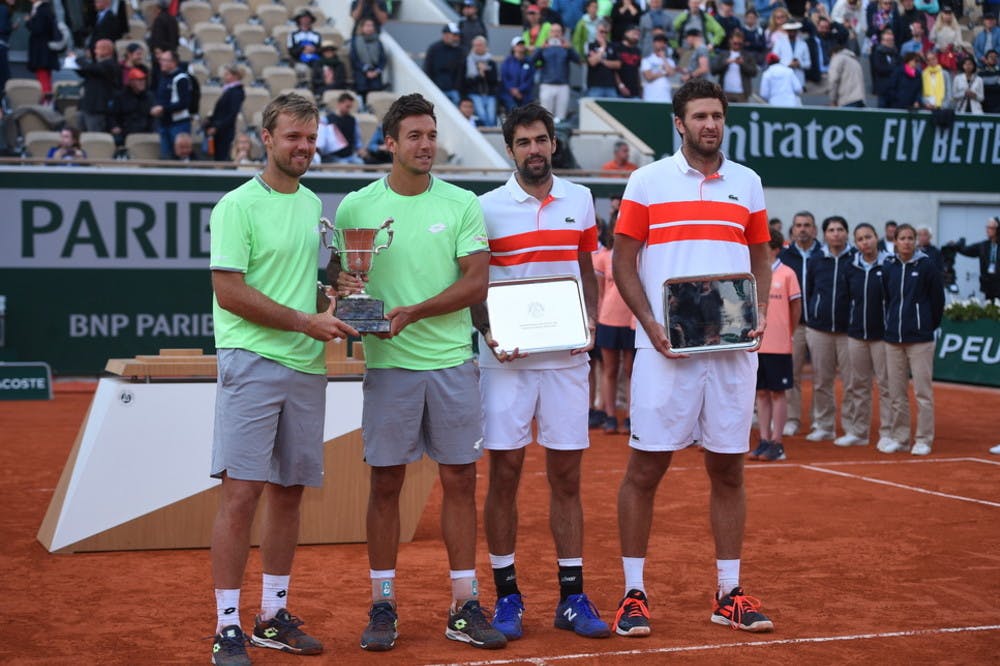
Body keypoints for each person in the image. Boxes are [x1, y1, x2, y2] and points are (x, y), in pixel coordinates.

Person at [330, 93, 505, 652]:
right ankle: (383, 604)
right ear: (390, 143)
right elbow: (339, 275)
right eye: (414, 136)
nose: (426, 145)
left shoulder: (461, 204)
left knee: (460, 483)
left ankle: (464, 602)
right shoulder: (356, 207)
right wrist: (343, 287)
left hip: (452, 361)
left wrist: (414, 312)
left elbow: (476, 282)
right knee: (386, 485)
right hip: (389, 366)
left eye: (431, 135)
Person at [611, 79, 774, 638]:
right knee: (645, 469)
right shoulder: (646, 181)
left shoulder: (747, 183)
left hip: (731, 352)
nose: (711, 125)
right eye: (700, 116)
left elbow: (761, 255)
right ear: (678, 123)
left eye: (718, 116)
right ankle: (634, 593)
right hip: (665, 350)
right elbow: (623, 263)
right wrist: (650, 324)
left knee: (728, 468)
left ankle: (728, 593)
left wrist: (759, 312)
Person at [207, 92, 358, 666]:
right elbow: (230, 291)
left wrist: (332, 295)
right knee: (241, 492)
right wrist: (304, 320)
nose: (303, 148)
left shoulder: (312, 203)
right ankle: (226, 625)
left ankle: (270, 615)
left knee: (289, 493)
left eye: (311, 138)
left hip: (305, 365)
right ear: (267, 138)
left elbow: (298, 283)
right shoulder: (237, 206)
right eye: (293, 137)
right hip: (251, 360)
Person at [470, 102, 608, 643]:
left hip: (567, 360)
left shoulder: (580, 198)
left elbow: (584, 267)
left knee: (566, 477)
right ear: (510, 150)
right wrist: (489, 333)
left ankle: (572, 596)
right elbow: (475, 283)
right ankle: (507, 597)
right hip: (505, 361)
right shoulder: (482, 207)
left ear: (554, 144)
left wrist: (590, 321)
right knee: (504, 475)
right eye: (524, 142)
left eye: (542, 140)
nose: (534, 150)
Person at [878, 223, 944, 456]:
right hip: (893, 340)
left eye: (910, 238)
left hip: (920, 340)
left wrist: (925, 325)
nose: (906, 241)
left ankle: (924, 439)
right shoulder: (888, 267)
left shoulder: (927, 266)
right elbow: (887, 298)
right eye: (902, 238)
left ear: (916, 241)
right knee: (896, 393)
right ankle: (900, 437)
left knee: (923, 394)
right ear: (894, 241)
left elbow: (938, 301)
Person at [748, 227, 801, 462]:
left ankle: (778, 443)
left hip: (779, 344)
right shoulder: (752, 275)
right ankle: (764, 439)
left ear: (776, 249)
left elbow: (795, 309)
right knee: (761, 393)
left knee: (778, 393)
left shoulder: (788, 273)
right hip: (757, 343)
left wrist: (788, 332)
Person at [802, 215, 855, 443]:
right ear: (824, 234)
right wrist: (814, 314)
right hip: (819, 330)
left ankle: (853, 429)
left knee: (851, 382)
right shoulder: (816, 260)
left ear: (847, 233)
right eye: (832, 230)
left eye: (840, 229)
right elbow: (810, 290)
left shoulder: (856, 259)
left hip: (848, 332)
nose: (836, 233)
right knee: (822, 381)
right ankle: (824, 426)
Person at [840, 222, 891, 449]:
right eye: (860, 239)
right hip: (856, 335)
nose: (865, 242)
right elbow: (847, 299)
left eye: (868, 237)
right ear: (856, 242)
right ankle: (858, 432)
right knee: (858, 385)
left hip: (883, 337)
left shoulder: (890, 265)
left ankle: (888, 434)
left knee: (886, 387)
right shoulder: (851, 267)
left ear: (876, 237)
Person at [777, 212, 821, 437]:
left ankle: (821, 422)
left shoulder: (823, 255)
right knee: (791, 375)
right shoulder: (785, 256)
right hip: (792, 324)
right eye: (798, 225)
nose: (802, 229)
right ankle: (792, 419)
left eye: (807, 225)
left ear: (814, 229)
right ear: (792, 230)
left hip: (819, 325)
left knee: (822, 376)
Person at [593, 216, 635, 435]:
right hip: (608, 319)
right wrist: (598, 318)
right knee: (609, 370)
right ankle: (610, 416)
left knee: (630, 371)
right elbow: (600, 293)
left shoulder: (638, 257)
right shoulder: (603, 257)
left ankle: (629, 416)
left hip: (632, 321)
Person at [151, 49, 192, 159]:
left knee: (181, 155)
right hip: (164, 122)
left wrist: (163, 109)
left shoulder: (181, 78)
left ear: (173, 63)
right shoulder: (163, 77)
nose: (161, 62)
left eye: (164, 60)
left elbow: (184, 103)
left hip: (178, 124)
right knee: (167, 157)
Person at [535, 23, 580, 122]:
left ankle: (559, 136)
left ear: (562, 33)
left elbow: (578, 60)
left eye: (558, 31)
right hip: (547, 84)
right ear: (550, 33)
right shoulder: (544, 47)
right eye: (553, 31)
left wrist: (570, 48)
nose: (556, 34)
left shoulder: (566, 47)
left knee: (561, 116)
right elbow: (532, 60)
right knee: (546, 117)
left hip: (563, 85)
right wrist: (540, 48)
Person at [77, 38, 121, 132]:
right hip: (86, 106)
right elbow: (87, 71)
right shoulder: (97, 65)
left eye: (97, 48)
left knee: (94, 137)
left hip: (97, 109)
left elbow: (92, 69)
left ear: (106, 50)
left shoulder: (110, 65)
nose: (95, 51)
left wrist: (77, 60)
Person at [953, 216, 1000, 301]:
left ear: (997, 229)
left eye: (990, 228)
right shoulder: (983, 246)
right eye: (987, 227)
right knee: (990, 310)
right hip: (988, 286)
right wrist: (958, 244)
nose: (987, 230)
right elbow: (966, 250)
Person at [204, 64, 245, 161]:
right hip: (220, 130)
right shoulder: (229, 90)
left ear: (235, 76)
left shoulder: (236, 92)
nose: (224, 76)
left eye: (227, 74)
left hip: (224, 131)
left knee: (222, 156)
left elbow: (231, 114)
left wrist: (216, 127)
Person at [110, 66, 156, 150]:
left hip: (145, 133)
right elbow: (113, 115)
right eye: (139, 80)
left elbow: (152, 118)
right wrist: (115, 126)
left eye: (143, 80)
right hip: (125, 133)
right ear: (131, 82)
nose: (142, 83)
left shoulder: (150, 97)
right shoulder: (121, 96)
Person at [26, 0, 60, 103]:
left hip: (41, 52)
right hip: (45, 51)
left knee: (43, 79)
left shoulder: (42, 10)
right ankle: (46, 102)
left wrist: (29, 21)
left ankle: (46, 104)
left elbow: (38, 29)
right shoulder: (46, 9)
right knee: (45, 78)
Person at [711, 28, 757, 102]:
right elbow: (713, 70)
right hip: (724, 92)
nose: (737, 45)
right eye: (735, 43)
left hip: (742, 93)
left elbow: (754, 72)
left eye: (740, 44)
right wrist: (726, 62)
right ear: (730, 41)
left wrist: (742, 64)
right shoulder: (723, 54)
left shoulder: (748, 55)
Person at [349, 18, 387, 107]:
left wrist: (377, 71)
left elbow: (383, 59)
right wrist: (366, 70)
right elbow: (354, 59)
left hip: (376, 75)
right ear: (362, 28)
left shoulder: (378, 42)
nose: (370, 28)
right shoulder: (355, 41)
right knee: (362, 91)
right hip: (361, 73)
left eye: (372, 26)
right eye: (367, 25)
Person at [317, 91, 364, 163]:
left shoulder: (353, 120)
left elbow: (357, 139)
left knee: (360, 163)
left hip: (349, 155)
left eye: (350, 107)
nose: (349, 109)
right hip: (332, 156)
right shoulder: (326, 119)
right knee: (343, 164)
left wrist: (359, 149)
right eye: (347, 106)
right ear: (339, 104)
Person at [424, 22, 465, 105]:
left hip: (453, 90)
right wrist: (432, 87)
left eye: (457, 36)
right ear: (445, 35)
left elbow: (461, 71)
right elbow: (427, 68)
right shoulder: (434, 48)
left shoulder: (460, 51)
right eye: (454, 35)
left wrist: (456, 88)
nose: (457, 38)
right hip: (436, 88)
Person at [463, 35, 499, 126]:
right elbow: (467, 82)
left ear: (485, 46)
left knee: (491, 118)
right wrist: (480, 74)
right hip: (475, 93)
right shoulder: (469, 61)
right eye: (475, 45)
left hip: (490, 94)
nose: (477, 47)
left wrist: (485, 72)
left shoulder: (491, 62)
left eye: (480, 45)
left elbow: (494, 80)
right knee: (482, 116)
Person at [585, 20, 622, 98]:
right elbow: (592, 62)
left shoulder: (613, 46)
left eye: (606, 32)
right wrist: (603, 48)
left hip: (611, 85)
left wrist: (600, 60)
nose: (603, 34)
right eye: (601, 31)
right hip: (595, 85)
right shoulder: (590, 45)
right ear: (596, 31)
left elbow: (618, 64)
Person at [499, 36, 536, 112]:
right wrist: (514, 91)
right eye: (518, 44)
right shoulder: (507, 62)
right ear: (513, 47)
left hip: (525, 96)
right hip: (509, 95)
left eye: (522, 44)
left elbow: (530, 79)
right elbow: (504, 78)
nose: (521, 46)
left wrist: (520, 90)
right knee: (514, 112)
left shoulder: (529, 61)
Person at [827, 39, 866, 106]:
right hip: (860, 100)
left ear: (833, 54)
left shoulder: (837, 58)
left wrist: (833, 100)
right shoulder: (854, 60)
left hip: (847, 100)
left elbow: (833, 80)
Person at [642, 33, 677, 101]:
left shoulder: (670, 61)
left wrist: (663, 58)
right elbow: (649, 77)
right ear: (654, 43)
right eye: (659, 42)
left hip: (665, 96)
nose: (661, 44)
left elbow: (671, 73)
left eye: (663, 42)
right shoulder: (647, 60)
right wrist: (664, 73)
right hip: (650, 95)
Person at [615, 24, 644, 98]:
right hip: (618, 91)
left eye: (638, 34)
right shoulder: (617, 48)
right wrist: (620, 85)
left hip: (635, 91)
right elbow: (614, 71)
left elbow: (637, 71)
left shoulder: (637, 51)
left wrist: (640, 89)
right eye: (634, 33)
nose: (636, 36)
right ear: (626, 33)